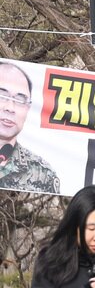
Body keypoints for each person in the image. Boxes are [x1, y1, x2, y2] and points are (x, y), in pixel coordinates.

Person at [0, 60, 59, 194]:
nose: (10, 108)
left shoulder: (43, 174)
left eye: (20, 101)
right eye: (2, 96)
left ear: (28, 108)